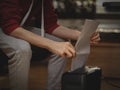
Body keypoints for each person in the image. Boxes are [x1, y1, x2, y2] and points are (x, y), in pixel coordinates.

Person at [0, 0, 100, 90]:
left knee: (62, 45)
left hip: (17, 26)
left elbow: (50, 25)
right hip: (6, 26)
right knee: (22, 49)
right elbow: (10, 26)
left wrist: (82, 36)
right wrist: (51, 45)